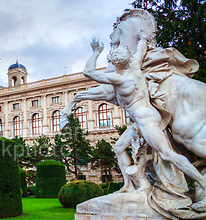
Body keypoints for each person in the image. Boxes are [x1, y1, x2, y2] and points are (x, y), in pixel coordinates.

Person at [84, 37, 206, 197]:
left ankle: (203, 184)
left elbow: (88, 72)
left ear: (114, 64)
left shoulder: (118, 79)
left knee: (168, 154)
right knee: (119, 147)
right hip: (146, 117)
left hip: (146, 120)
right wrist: (142, 39)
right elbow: (142, 47)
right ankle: (129, 185)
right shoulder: (135, 66)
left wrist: (96, 52)